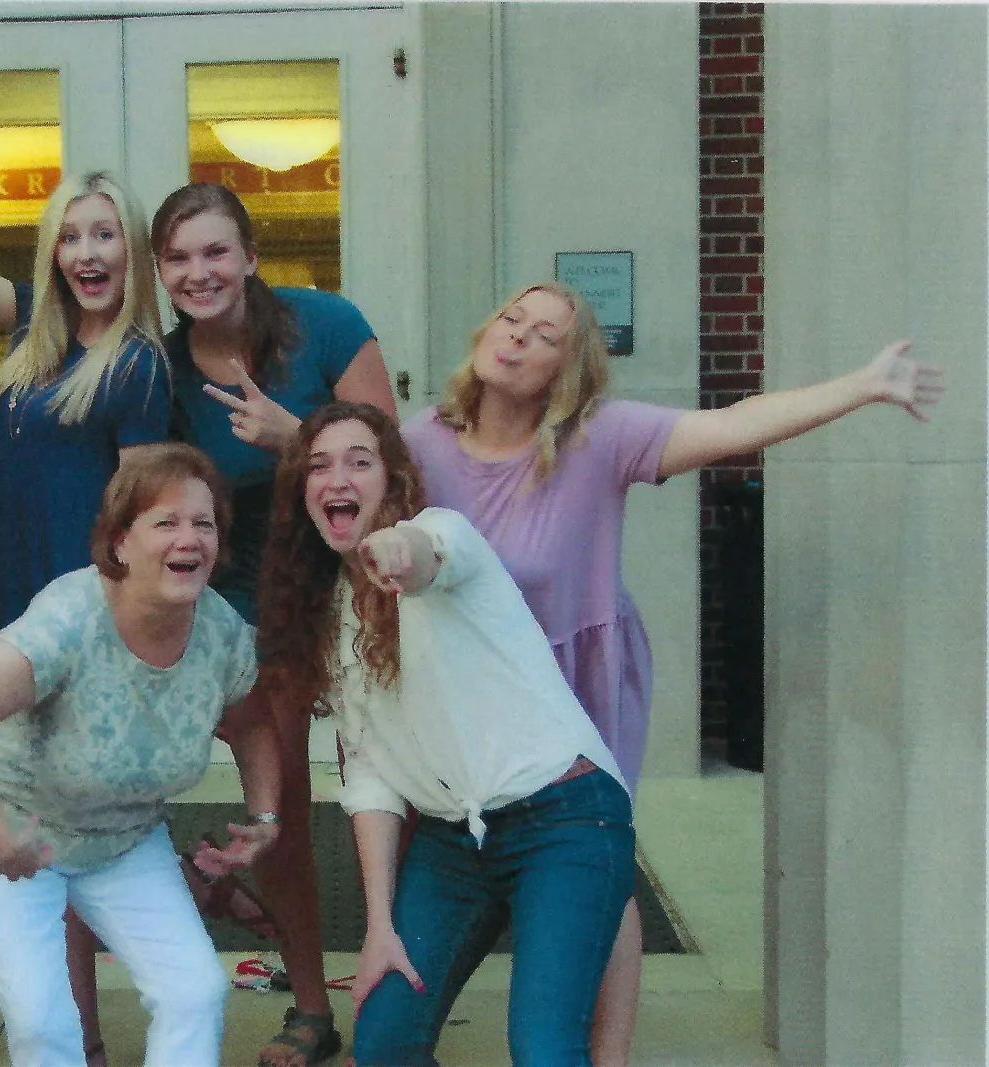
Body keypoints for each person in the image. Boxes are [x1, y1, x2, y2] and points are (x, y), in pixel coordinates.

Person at [400, 282, 942, 1065]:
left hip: (575, 685)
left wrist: (863, 385)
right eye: (511, 319)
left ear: (568, 366)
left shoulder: (600, 436)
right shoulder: (422, 442)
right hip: (466, 696)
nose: (516, 337)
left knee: (598, 867)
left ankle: (608, 1054)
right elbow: (341, 472)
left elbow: (731, 426)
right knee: (459, 846)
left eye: (544, 333)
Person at [72, 181, 397, 1067]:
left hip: (334, 597)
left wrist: (298, 438)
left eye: (216, 251)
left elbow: (390, 471)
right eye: (177, 257)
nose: (197, 272)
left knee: (336, 797)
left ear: (251, 255)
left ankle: (352, 996)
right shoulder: (160, 367)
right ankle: (275, 970)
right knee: (220, 791)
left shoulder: (327, 323)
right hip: (229, 605)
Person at [260, 401, 635, 1067]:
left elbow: (433, 555)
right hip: (452, 841)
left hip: (566, 817)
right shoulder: (323, 612)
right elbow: (371, 772)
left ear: (392, 479)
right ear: (302, 492)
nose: (336, 477)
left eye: (359, 461)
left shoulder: (440, 531)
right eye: (317, 465)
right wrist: (378, 926)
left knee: (546, 1048)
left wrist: (399, 551)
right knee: (384, 1044)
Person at [0, 443, 283, 1067]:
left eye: (204, 523)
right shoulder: (69, 621)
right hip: (6, 832)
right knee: (43, 1022)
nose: (187, 538)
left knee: (195, 989)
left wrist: (265, 818)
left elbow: (250, 726)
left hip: (122, 837)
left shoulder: (218, 631)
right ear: (119, 544)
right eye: (165, 522)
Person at [0, 38, 171, 673]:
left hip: (73, 589)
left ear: (131, 248)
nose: (86, 254)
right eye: (69, 238)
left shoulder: (139, 365)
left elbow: (141, 507)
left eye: (104, 236)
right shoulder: (30, 324)